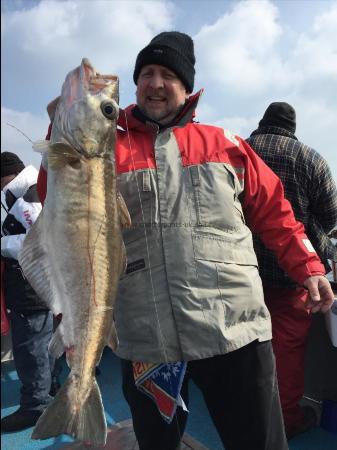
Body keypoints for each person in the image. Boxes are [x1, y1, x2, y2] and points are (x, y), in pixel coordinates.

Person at [37, 32, 334, 450]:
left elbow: (276, 214)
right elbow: (59, 203)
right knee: (158, 444)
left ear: (187, 86)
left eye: (168, 75)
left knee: (260, 442)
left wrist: (309, 269)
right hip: (146, 336)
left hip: (233, 328)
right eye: (146, 74)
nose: (155, 83)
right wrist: (61, 129)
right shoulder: (105, 145)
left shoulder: (226, 143)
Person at [246, 103, 337, 439]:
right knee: (286, 350)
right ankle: (285, 420)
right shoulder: (310, 158)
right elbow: (331, 216)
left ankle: (243, 410)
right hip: (293, 275)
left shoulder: (241, 150)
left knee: (244, 345)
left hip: (242, 274)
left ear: (262, 122)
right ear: (292, 127)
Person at [1, 152, 56, 432]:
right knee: (44, 346)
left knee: (30, 350)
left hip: (31, 290)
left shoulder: (27, 198)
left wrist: (1, 243)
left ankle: (36, 406)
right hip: (43, 287)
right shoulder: (36, 190)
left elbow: (38, 243)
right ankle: (50, 392)